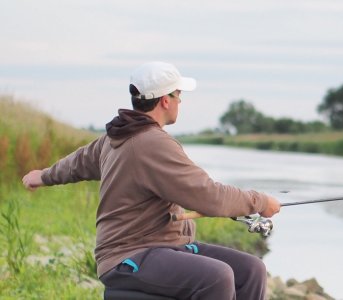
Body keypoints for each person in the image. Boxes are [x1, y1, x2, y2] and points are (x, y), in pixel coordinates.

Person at [22, 61, 281, 300]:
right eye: (178, 95)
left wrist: (42, 176)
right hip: (129, 254)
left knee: (252, 269)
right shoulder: (151, 143)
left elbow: (76, 163)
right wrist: (259, 202)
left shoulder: (121, 135)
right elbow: (209, 195)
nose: (181, 101)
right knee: (218, 277)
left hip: (167, 246)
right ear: (165, 101)